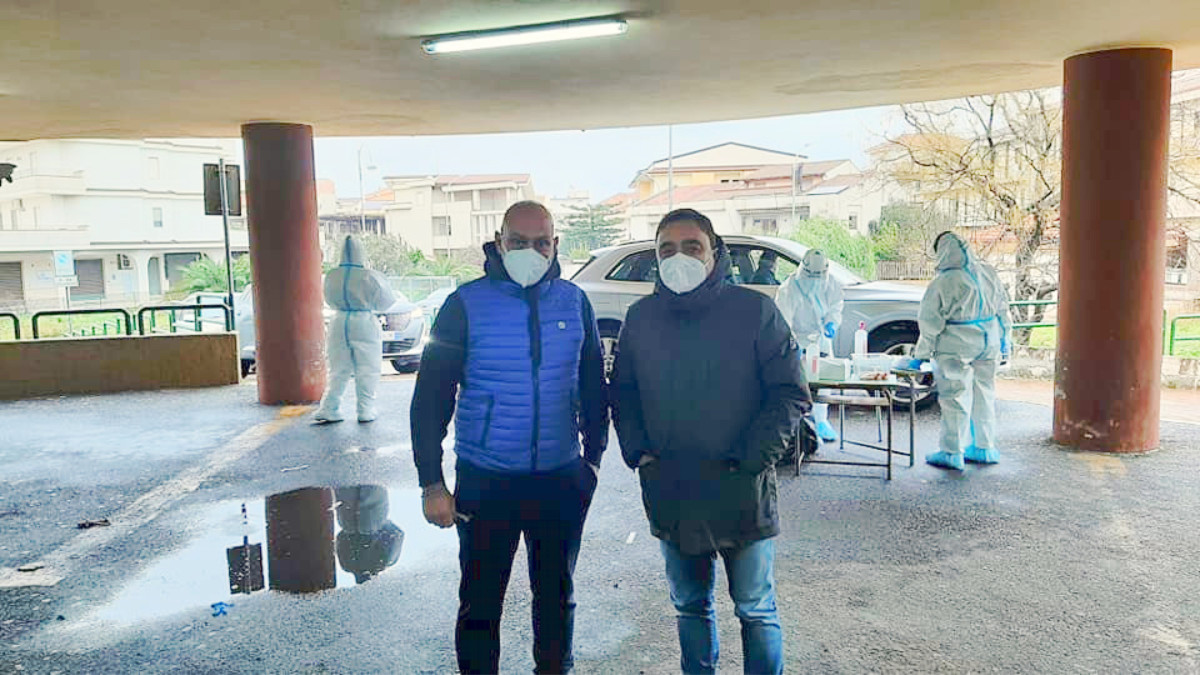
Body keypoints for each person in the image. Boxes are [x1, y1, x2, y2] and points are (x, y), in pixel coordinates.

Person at [410, 201, 608, 675]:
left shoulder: (574, 302)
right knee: (480, 602)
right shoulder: (465, 304)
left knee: (556, 598)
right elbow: (432, 396)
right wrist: (431, 482)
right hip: (486, 480)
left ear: (555, 245)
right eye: (518, 242)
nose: (529, 252)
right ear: (499, 242)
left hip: (559, 479)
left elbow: (592, 386)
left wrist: (593, 462)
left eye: (541, 243)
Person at [613, 208, 810, 675]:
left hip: (741, 488)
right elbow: (623, 393)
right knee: (690, 606)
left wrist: (753, 458)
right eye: (666, 249)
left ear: (714, 253)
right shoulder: (641, 318)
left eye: (692, 247)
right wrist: (639, 453)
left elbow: (789, 393)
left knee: (755, 607)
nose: (678, 257)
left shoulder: (755, 312)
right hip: (672, 490)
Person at [907, 231, 1011, 471]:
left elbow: (930, 323)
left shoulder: (943, 282)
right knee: (985, 394)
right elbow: (1003, 308)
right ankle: (984, 447)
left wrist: (921, 355)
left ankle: (952, 452)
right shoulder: (988, 272)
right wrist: (1005, 337)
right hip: (989, 340)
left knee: (955, 396)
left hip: (956, 344)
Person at [313, 235, 396, 424]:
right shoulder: (369, 276)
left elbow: (327, 298)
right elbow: (386, 301)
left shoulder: (332, 275)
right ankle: (365, 409)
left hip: (338, 322)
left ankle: (329, 407)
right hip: (364, 322)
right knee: (368, 367)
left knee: (337, 368)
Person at [774, 248, 844, 442]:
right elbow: (783, 322)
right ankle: (801, 425)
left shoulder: (831, 283)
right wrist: (792, 345)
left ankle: (821, 420)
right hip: (798, 339)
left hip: (821, 339)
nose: (815, 281)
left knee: (825, 380)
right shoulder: (789, 289)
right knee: (799, 384)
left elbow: (836, 305)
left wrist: (832, 323)